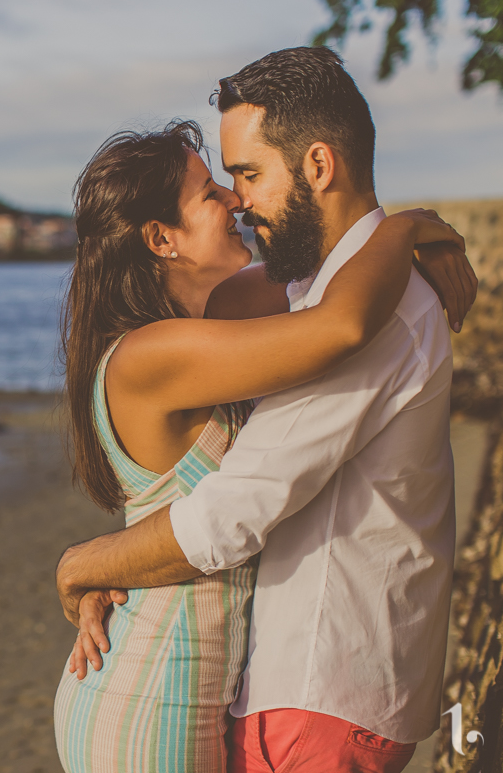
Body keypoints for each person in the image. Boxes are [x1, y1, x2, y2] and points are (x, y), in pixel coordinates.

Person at [55, 47, 477, 773]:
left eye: (244, 175)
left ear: (316, 165)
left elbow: (329, 302)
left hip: (279, 692)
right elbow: (329, 325)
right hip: (191, 691)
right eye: (217, 188)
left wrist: (399, 231)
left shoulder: (291, 304)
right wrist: (79, 565)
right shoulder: (164, 349)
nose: (236, 200)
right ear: (161, 239)